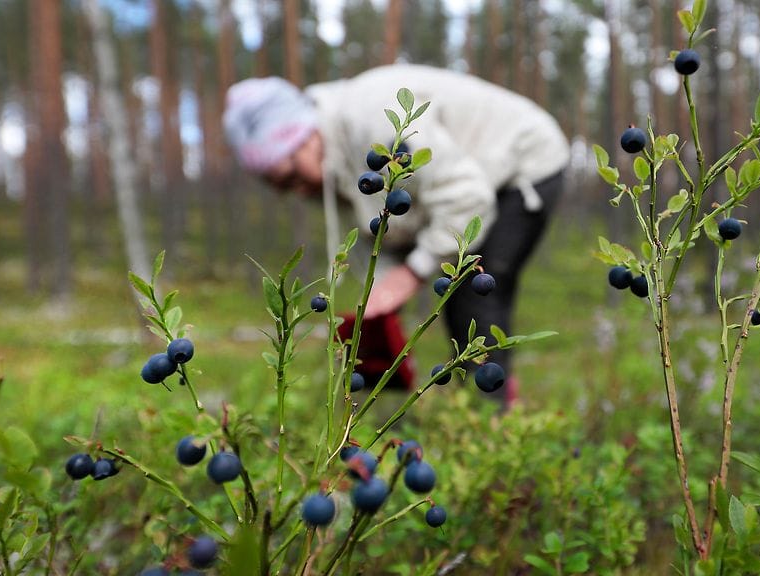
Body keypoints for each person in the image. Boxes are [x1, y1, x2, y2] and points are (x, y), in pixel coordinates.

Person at [222, 64, 569, 408]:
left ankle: (491, 414)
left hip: (524, 160)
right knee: (457, 295)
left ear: (301, 138)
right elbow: (390, 226)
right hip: (473, 180)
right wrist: (383, 295)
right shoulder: (334, 156)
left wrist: (412, 272)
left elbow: (466, 197)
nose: (297, 191)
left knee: (472, 289)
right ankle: (482, 404)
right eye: (282, 187)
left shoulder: (373, 124)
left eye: (291, 177)